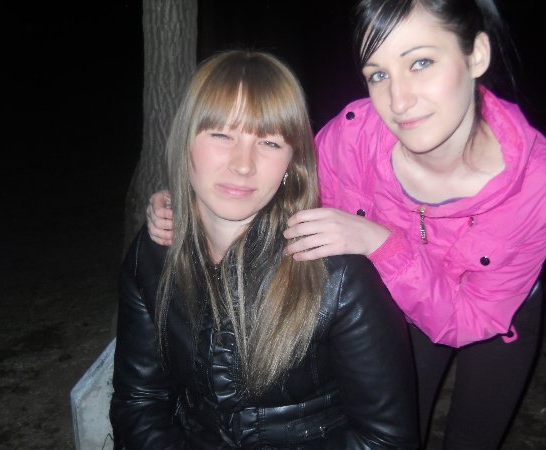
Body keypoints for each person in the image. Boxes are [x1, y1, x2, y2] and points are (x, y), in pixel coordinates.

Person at [146, 2, 546, 449]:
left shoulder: (539, 186)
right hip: (399, 300)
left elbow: (469, 318)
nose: (399, 101)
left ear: (477, 55)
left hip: (492, 309)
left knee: (474, 437)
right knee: (403, 424)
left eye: (421, 63)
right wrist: (192, 204)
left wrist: (381, 243)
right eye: (379, 74)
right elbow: (279, 179)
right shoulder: (353, 136)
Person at [111, 49, 419, 449]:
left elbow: (386, 440)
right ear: (185, 142)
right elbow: (139, 400)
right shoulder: (152, 253)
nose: (243, 164)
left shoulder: (339, 276)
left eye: (270, 142)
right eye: (222, 135)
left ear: (292, 163)